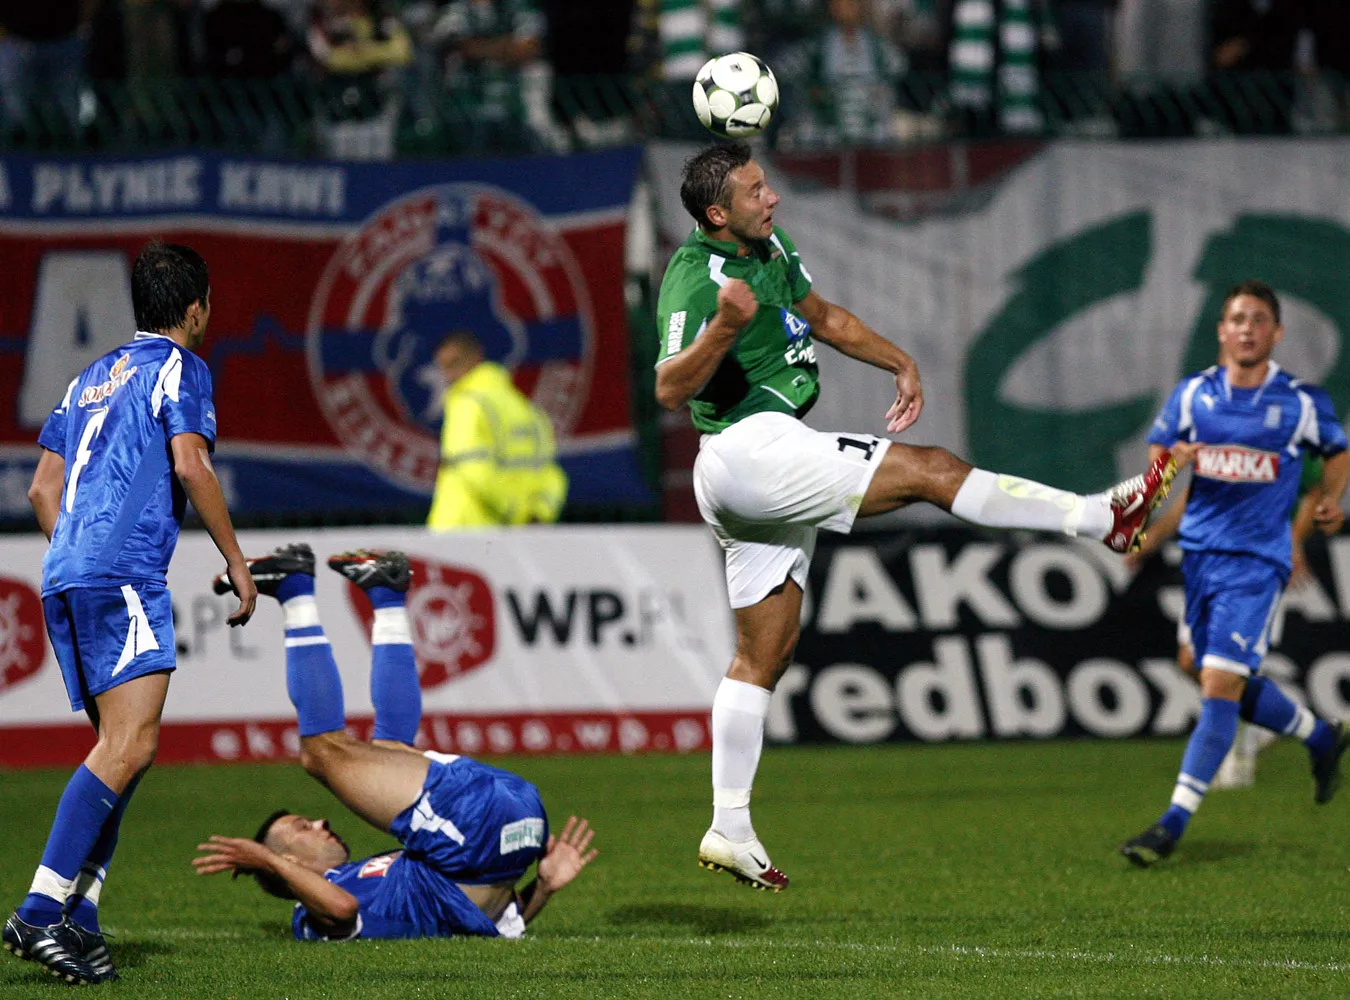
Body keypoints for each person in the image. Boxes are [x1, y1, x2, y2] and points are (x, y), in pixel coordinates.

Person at [655, 141, 1176, 891]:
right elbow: (670, 389)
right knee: (932, 471)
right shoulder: (694, 277)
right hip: (748, 450)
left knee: (762, 658)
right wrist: (722, 331)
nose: (771, 198)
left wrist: (899, 360)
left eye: (768, 185)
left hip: (760, 461)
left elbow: (827, 318)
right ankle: (1101, 519)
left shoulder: (769, 249)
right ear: (717, 213)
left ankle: (728, 825)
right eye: (755, 190)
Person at [3, 242, 258, 985]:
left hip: (65, 575)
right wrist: (237, 562)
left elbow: (41, 489)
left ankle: (80, 915)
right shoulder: (181, 369)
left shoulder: (87, 379)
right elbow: (190, 462)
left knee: (122, 749)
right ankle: (41, 910)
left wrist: (78, 555)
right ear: (196, 307)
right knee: (132, 745)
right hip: (120, 575)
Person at [195, 546, 596, 939]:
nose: (321, 821)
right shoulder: (313, 917)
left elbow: (477, 911)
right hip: (483, 828)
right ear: (289, 861)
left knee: (387, 752)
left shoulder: (366, 879)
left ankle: (384, 596)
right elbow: (342, 909)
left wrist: (537, 884)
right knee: (320, 753)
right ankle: (296, 590)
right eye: (302, 827)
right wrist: (545, 885)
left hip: (505, 830)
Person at [1120, 279, 1350, 867]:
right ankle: (1320, 737)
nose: (1247, 328)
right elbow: (1159, 461)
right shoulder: (1194, 396)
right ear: (1221, 330)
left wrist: (1331, 498)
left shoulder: (1300, 400)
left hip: (1257, 562)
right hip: (1199, 557)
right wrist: (1169, 470)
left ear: (1275, 332)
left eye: (1258, 319)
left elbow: (1337, 450)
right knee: (1195, 665)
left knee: (1218, 687)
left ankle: (1171, 823)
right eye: (1237, 319)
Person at [1128, 453, 1326, 789]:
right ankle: (1264, 723)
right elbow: (1197, 493)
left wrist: (1293, 542)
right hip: (1209, 559)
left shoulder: (1285, 425)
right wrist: (1156, 535)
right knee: (1190, 661)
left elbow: (1312, 491)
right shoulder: (1216, 423)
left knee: (1230, 668)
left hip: (1257, 561)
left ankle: (1238, 748)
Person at [426, 331, 567, 530]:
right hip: (520, 535)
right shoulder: (530, 411)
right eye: (442, 366)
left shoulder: (467, 404)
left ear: (475, 359)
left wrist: (514, 512)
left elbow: (472, 468)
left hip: (462, 530)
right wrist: (538, 513)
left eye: (454, 363)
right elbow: (552, 476)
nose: (448, 375)